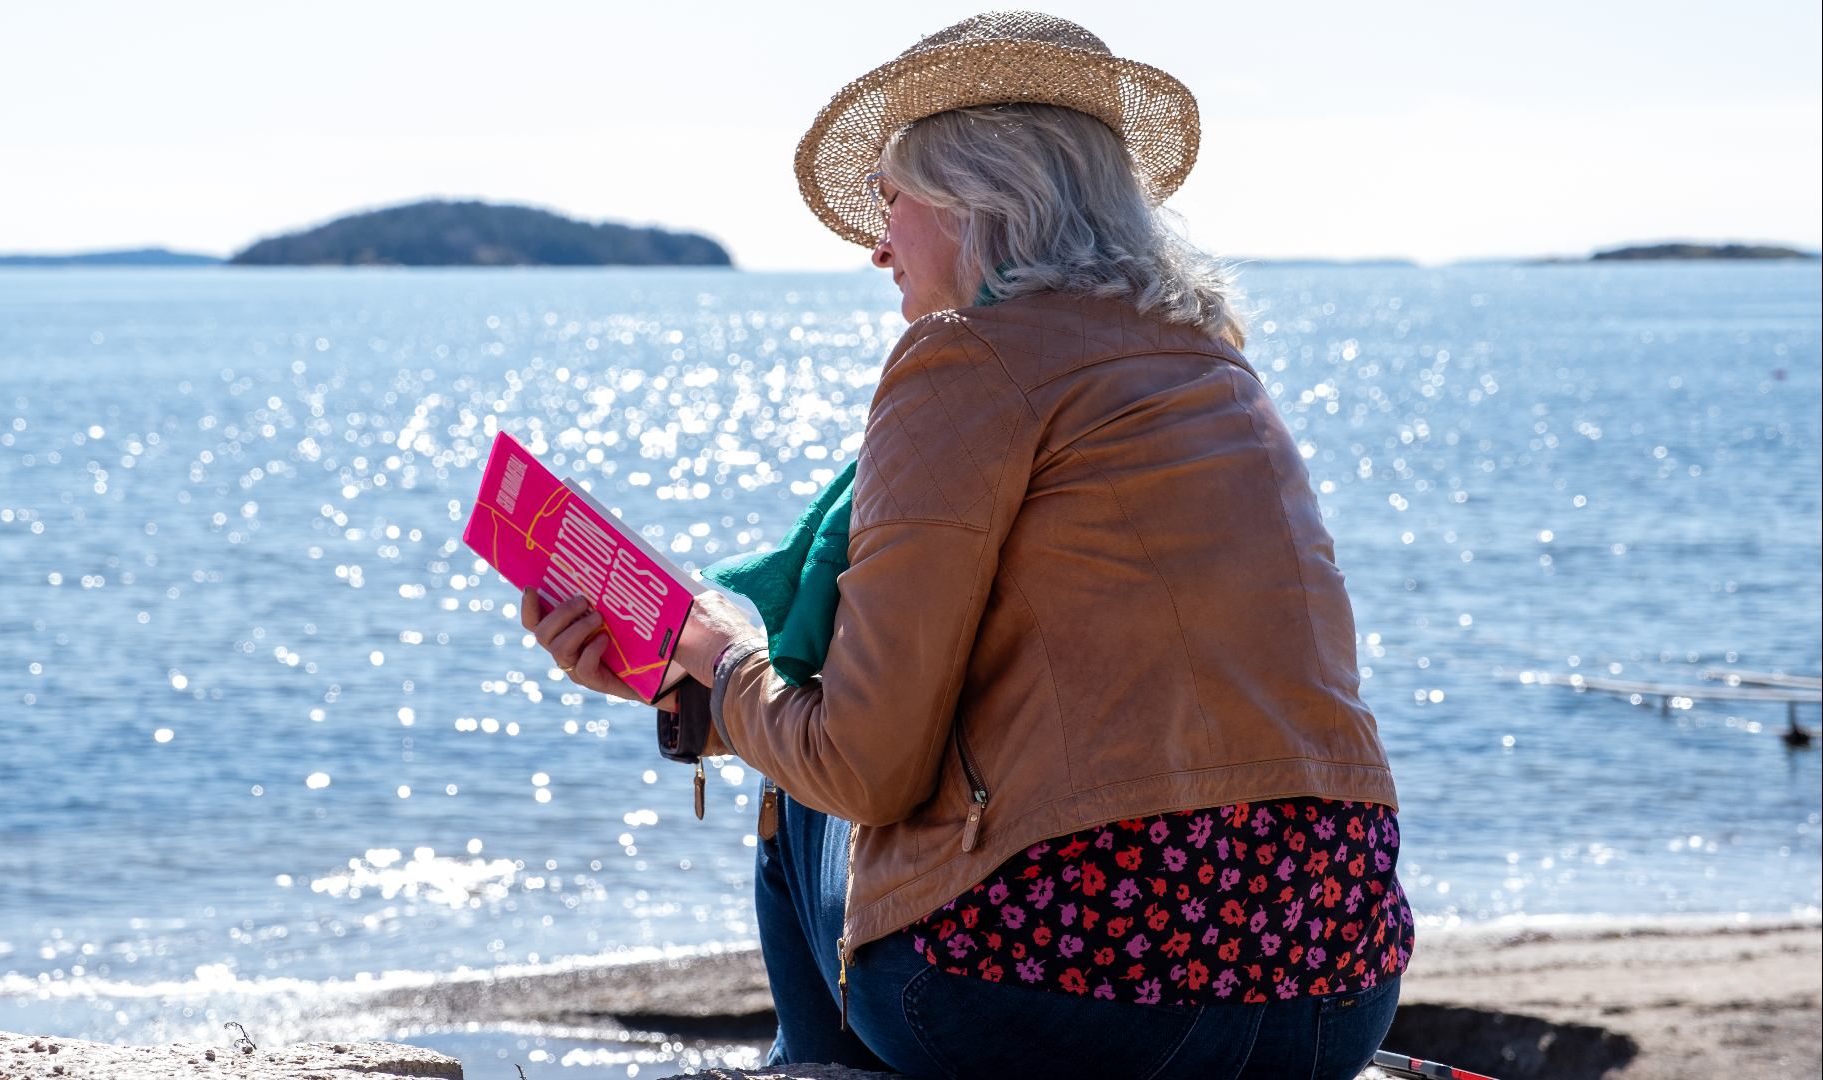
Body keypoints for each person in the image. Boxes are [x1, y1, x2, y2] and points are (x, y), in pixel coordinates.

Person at [526, 12, 1411, 1079]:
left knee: (799, 788)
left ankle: (815, 1069)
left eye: (890, 197)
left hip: (1078, 996)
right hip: (1335, 987)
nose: (876, 243)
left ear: (979, 200)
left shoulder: (967, 361)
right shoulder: (1211, 366)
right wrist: (697, 699)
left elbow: (861, 764)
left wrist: (716, 656)